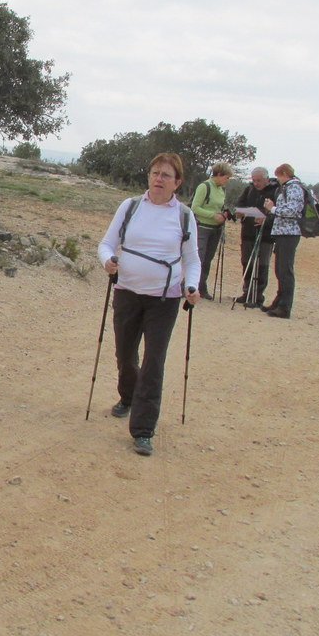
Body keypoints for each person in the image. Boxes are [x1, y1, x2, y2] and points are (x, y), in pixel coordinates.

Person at [97, 153, 200, 457]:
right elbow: (106, 244)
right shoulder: (129, 207)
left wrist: (191, 286)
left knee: (154, 362)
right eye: (155, 173)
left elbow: (192, 259)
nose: (158, 179)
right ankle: (128, 397)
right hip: (127, 292)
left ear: (177, 182)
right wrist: (108, 261)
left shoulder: (183, 215)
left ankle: (143, 430)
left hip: (165, 299)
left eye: (166, 175)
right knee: (125, 355)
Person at [261, 163, 304, 319]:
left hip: (289, 233)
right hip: (282, 232)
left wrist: (272, 208)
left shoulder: (294, 188)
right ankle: (278, 302)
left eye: (278, 176)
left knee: (285, 270)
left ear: (285, 174)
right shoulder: (287, 188)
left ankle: (285, 307)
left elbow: (292, 211)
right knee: (280, 269)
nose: (277, 179)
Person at [232, 167, 278, 307]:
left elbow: (277, 212)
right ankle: (247, 293)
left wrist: (266, 218)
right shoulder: (249, 189)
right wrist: (240, 212)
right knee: (247, 262)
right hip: (248, 231)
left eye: (258, 180)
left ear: (266, 179)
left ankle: (257, 296)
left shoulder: (275, 191)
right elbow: (239, 204)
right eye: (253, 180)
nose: (256, 183)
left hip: (266, 234)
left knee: (262, 265)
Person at [190, 162, 233, 300]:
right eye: (226, 177)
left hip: (216, 229)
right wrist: (213, 215)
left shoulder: (221, 190)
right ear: (219, 175)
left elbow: (219, 206)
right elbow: (195, 207)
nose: (227, 181)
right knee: (199, 258)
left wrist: (224, 213)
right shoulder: (204, 186)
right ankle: (190, 285)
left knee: (208, 259)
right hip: (202, 227)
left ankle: (202, 286)